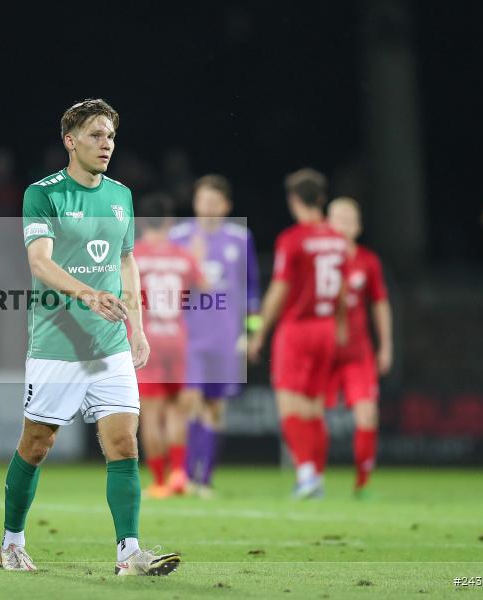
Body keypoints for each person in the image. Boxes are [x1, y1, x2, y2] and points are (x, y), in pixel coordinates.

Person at [0, 99, 180, 576]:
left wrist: (136, 327)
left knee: (124, 444)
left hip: (110, 344)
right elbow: (39, 262)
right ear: (70, 140)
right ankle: (12, 542)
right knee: (37, 444)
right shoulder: (44, 194)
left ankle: (129, 553)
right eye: (97, 135)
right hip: (58, 341)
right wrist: (87, 295)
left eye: (112, 137)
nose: (107, 145)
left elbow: (126, 261)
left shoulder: (121, 195)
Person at [248, 168, 347, 499]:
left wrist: (260, 331)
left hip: (298, 328)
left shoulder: (293, 239)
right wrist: (341, 328)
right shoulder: (337, 238)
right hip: (327, 327)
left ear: (294, 200)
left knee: (289, 406)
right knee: (315, 409)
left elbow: (279, 289)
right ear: (321, 198)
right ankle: (316, 476)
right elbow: (344, 291)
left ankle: (305, 473)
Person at [169, 175, 261, 497]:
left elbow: (252, 292)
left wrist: (251, 334)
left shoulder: (240, 238)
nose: (206, 208)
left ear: (225, 206)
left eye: (213, 202)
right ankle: (187, 476)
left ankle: (204, 479)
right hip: (189, 335)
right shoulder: (179, 237)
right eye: (202, 201)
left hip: (225, 336)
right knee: (190, 402)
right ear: (195, 203)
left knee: (215, 408)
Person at [132, 192, 206, 499]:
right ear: (170, 222)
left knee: (151, 416)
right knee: (177, 411)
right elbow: (204, 287)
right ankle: (179, 475)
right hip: (176, 336)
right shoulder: (182, 255)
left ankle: (160, 481)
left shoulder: (134, 254)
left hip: (146, 339)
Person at [325, 197, 393, 496]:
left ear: (359, 226)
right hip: (323, 351)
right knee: (309, 415)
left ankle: (362, 484)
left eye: (349, 218)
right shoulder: (318, 260)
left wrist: (386, 345)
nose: (343, 224)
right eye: (337, 217)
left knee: (367, 415)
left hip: (358, 352)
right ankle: (309, 476)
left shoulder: (368, 261)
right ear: (327, 223)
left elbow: (380, 304)